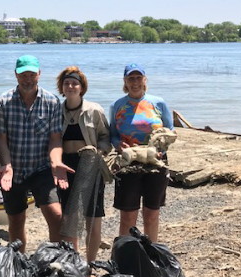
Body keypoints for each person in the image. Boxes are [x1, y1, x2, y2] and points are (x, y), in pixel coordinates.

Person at [0, 55, 72, 252]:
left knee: (56, 215)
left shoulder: (51, 101)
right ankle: (18, 263)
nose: (28, 79)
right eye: (23, 75)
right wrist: (6, 165)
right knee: (16, 220)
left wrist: (56, 162)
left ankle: (54, 262)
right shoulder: (3, 102)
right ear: (16, 75)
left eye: (32, 74)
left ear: (39, 74)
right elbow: (1, 140)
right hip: (14, 170)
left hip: (41, 168)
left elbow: (55, 138)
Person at [109, 63, 174, 242]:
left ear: (145, 80)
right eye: (131, 78)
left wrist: (161, 147)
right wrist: (118, 144)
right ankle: (124, 254)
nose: (135, 82)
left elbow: (169, 131)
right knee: (128, 216)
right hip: (128, 162)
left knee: (151, 213)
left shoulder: (158, 103)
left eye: (138, 78)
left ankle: (151, 251)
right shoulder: (117, 106)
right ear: (125, 81)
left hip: (156, 161)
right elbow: (112, 135)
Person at [56, 66, 112, 262]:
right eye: (66, 83)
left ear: (82, 87)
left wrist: (100, 152)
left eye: (74, 83)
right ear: (62, 87)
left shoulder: (94, 110)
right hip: (65, 167)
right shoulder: (56, 110)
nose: (70, 86)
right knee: (70, 217)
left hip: (90, 164)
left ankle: (91, 264)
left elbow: (106, 137)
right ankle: (75, 262)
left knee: (93, 217)